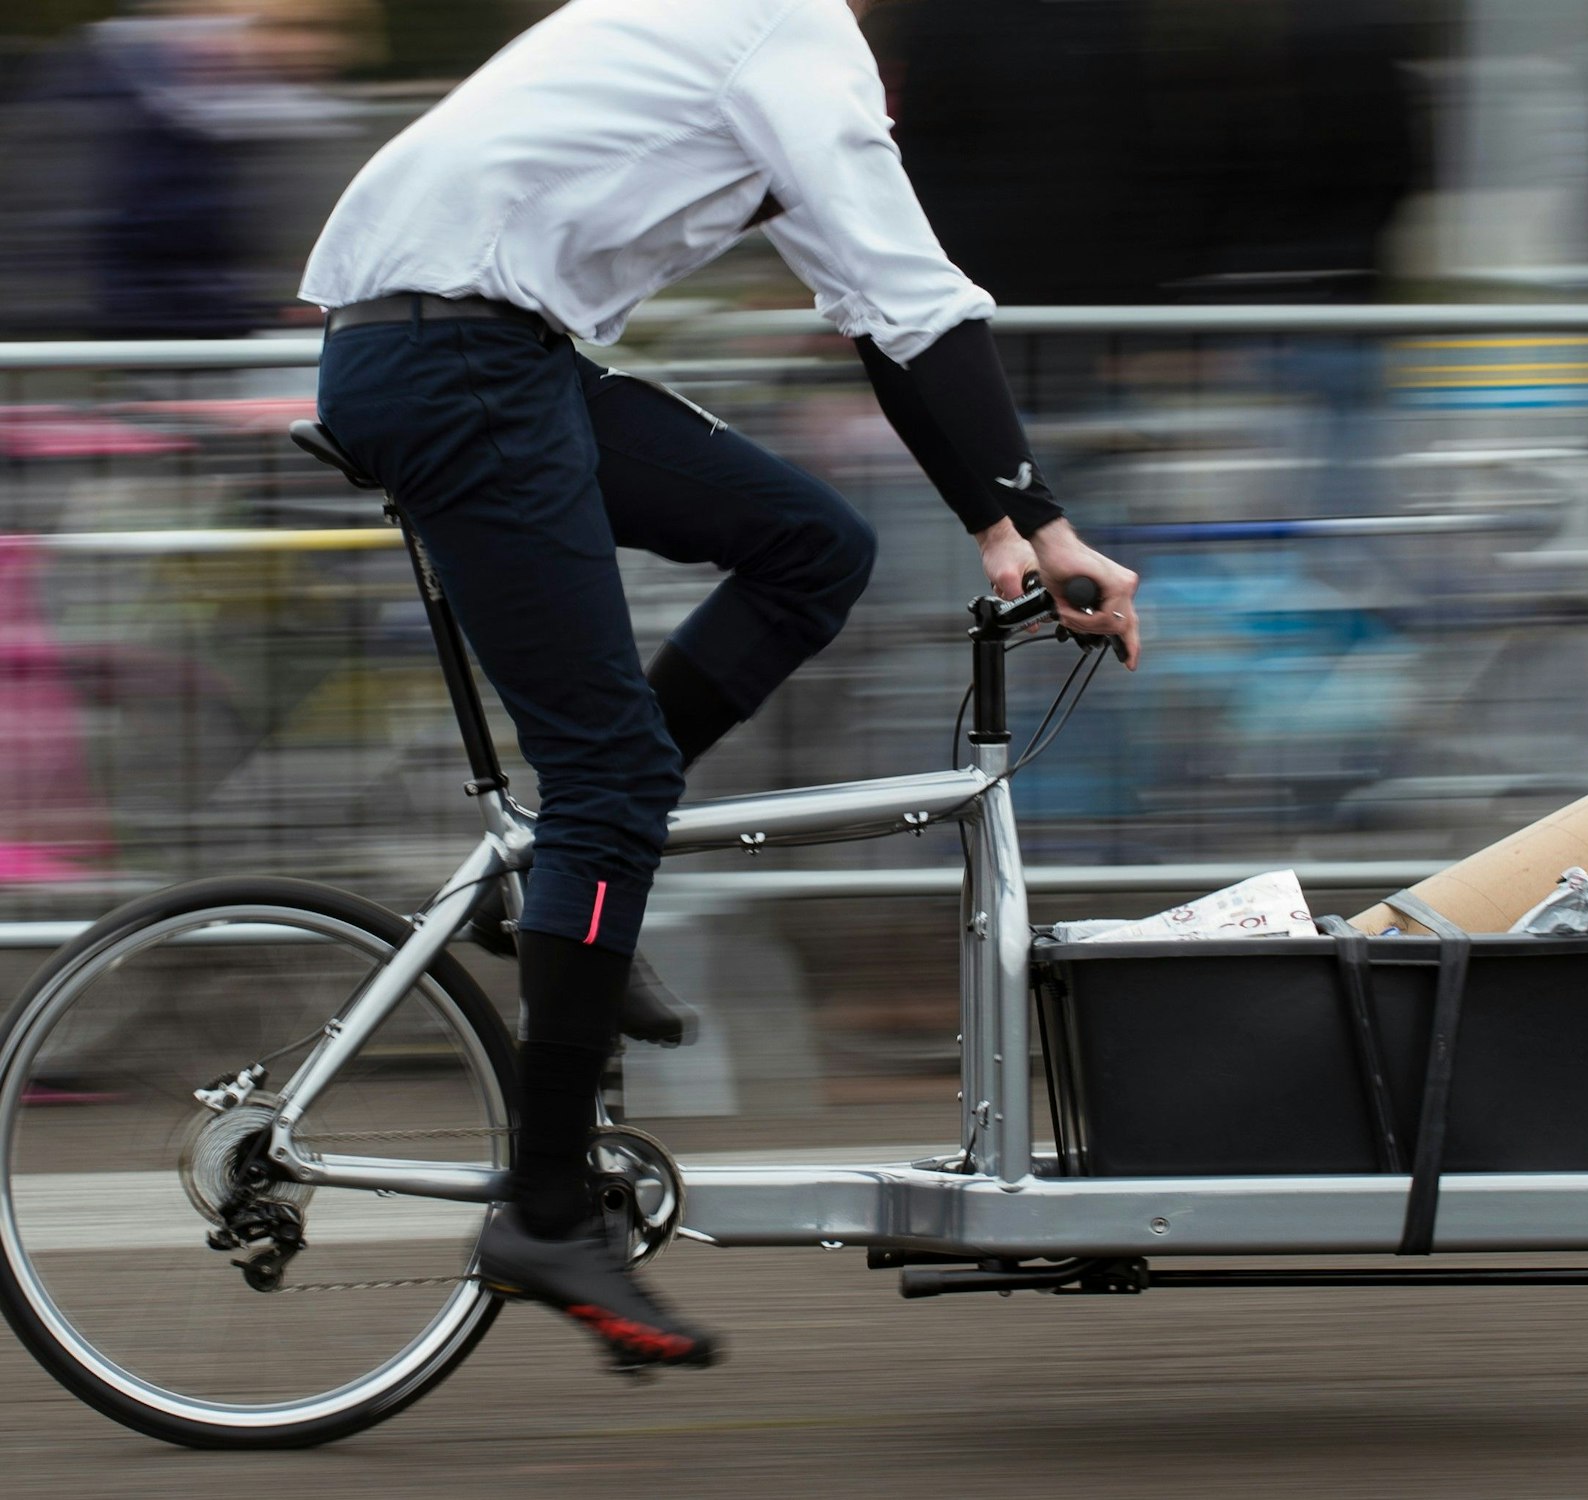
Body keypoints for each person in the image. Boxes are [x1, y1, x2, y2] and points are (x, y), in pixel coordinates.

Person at [299, 0, 1142, 1372]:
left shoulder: (713, 27)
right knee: (612, 776)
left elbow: (877, 310)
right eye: (890, 115)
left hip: (479, 350)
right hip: (459, 363)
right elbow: (916, 289)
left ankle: (569, 880)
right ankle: (545, 1208)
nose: (884, 132)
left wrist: (1002, 531)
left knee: (813, 549)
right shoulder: (797, 34)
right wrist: (1049, 529)